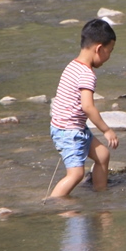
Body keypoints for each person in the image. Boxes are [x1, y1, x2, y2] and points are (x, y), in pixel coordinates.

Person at [49, 18, 119, 197]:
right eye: (110, 51)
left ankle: (101, 194)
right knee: (76, 174)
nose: (109, 57)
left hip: (71, 127)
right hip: (69, 131)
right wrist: (107, 130)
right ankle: (52, 203)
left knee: (102, 155)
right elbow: (88, 107)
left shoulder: (73, 65)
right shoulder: (86, 74)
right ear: (99, 49)